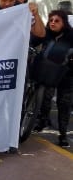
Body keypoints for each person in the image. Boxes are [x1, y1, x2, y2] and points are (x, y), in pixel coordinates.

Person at [32, 10, 73, 148]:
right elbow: (33, 40)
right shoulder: (46, 34)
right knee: (44, 99)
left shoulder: (71, 36)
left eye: (57, 21)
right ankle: (42, 120)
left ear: (64, 23)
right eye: (51, 20)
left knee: (64, 103)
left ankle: (62, 134)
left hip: (66, 74)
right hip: (47, 71)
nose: (53, 23)